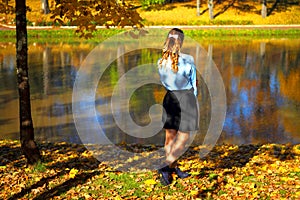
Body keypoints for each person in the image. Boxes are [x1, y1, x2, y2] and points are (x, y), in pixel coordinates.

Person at [157, 28, 199, 185]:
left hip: (170, 98)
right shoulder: (188, 59)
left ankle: (171, 168)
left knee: (170, 138)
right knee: (183, 138)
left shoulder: (160, 62)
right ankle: (166, 167)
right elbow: (194, 83)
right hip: (186, 98)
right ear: (180, 41)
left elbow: (165, 82)